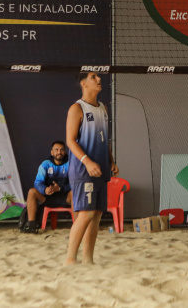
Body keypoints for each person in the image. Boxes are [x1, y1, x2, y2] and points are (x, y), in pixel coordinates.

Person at [64, 72, 119, 265]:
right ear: (83, 83)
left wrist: (111, 161)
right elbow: (70, 141)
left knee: (96, 216)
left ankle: (88, 260)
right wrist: (87, 161)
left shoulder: (103, 107)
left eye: (98, 77)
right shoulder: (77, 108)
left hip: (101, 169)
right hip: (83, 170)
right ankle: (70, 259)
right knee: (85, 214)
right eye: (93, 77)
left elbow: (105, 139)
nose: (98, 79)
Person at [22, 140, 72, 233]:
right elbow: (37, 183)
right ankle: (31, 225)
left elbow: (75, 183)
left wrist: (60, 188)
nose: (59, 152)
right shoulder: (45, 164)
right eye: (56, 150)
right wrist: (45, 190)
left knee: (74, 193)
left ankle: (78, 225)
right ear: (52, 152)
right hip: (47, 198)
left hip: (65, 197)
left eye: (61, 150)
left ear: (64, 152)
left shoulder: (71, 164)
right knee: (32, 191)